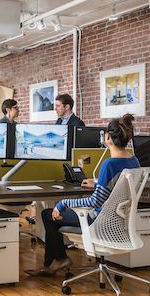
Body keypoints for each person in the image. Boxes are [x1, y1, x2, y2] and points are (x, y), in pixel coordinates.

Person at [26, 114, 139, 276]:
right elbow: (118, 188)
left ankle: (59, 259)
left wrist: (63, 203)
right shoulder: (133, 161)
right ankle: (57, 260)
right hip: (118, 222)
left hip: (98, 220)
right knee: (52, 214)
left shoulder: (109, 164)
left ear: (107, 137)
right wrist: (98, 184)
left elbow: (95, 201)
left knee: (48, 214)